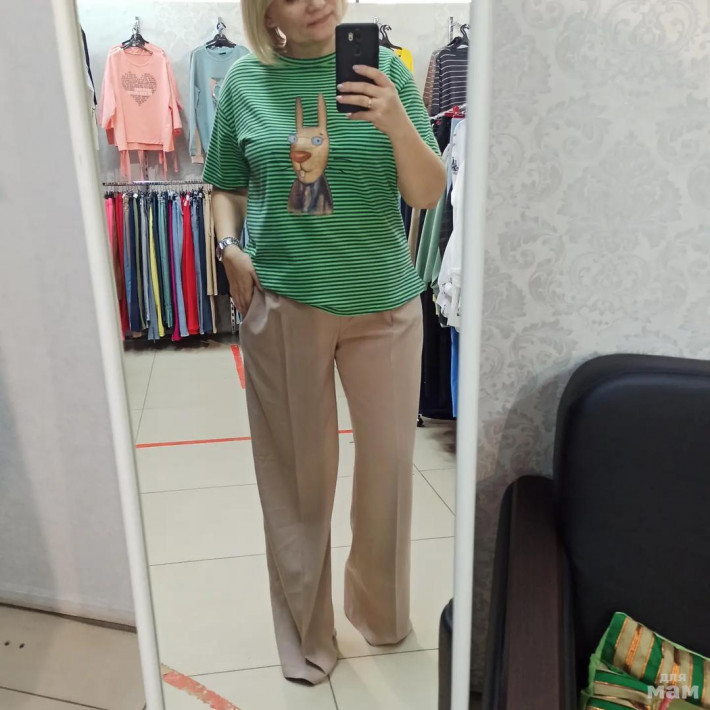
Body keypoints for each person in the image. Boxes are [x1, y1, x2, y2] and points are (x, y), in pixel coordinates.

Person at [203, 0, 446, 686]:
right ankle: (307, 635)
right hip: (285, 304)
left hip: (385, 304)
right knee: (297, 481)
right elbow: (225, 186)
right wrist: (228, 247)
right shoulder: (245, 82)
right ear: (265, 10)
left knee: (389, 470)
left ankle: (380, 611)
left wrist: (395, 120)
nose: (314, 1)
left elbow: (428, 192)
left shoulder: (389, 72)